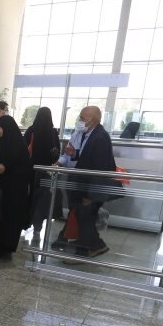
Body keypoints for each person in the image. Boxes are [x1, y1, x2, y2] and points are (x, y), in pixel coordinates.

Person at [59, 106, 118, 260]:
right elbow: (86, 157)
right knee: (83, 216)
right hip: (83, 185)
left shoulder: (100, 137)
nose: (80, 120)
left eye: (83, 118)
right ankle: (86, 248)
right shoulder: (89, 134)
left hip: (91, 187)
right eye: (80, 116)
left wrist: (91, 195)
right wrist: (74, 154)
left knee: (85, 216)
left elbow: (100, 168)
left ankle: (94, 247)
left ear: (94, 120)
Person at [0, 115, 33, 260]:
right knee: (1, 216)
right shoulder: (2, 142)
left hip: (15, 190)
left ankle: (6, 247)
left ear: (7, 128)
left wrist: (6, 166)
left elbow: (23, 166)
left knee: (11, 217)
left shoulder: (18, 145)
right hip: (3, 188)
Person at [25, 107, 62, 243]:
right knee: (41, 202)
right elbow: (56, 155)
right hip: (45, 173)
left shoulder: (31, 130)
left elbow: (23, 149)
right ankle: (37, 230)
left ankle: (25, 223)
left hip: (29, 172)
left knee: (28, 198)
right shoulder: (52, 132)